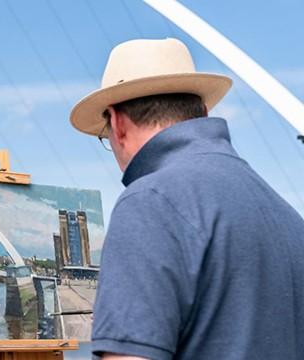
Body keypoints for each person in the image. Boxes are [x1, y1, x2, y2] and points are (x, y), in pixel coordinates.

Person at [70, 38, 304, 359]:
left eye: (104, 135)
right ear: (203, 112)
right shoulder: (285, 213)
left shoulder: (149, 203)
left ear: (117, 123)